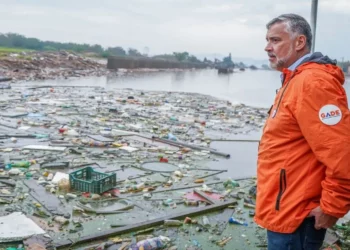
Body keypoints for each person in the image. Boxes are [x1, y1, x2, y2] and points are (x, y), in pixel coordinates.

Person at [254, 13, 350, 250]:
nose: (267, 47)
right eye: (267, 40)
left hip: (297, 215)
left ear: (299, 42)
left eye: (275, 40)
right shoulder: (294, 80)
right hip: (282, 208)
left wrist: (332, 207)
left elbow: (341, 153)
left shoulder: (313, 83)